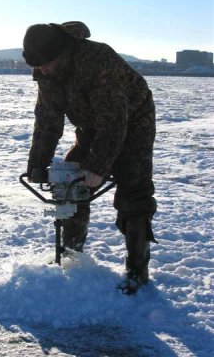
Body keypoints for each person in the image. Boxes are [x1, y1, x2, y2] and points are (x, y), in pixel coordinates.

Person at [22, 21, 157, 295]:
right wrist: (37, 164)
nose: (42, 70)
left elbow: (114, 120)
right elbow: (47, 119)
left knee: (133, 191)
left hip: (133, 120)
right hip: (92, 126)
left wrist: (98, 166)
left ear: (61, 52)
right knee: (68, 182)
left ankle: (137, 273)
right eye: (37, 66)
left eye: (46, 63)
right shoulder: (46, 71)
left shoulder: (97, 59)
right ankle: (72, 259)